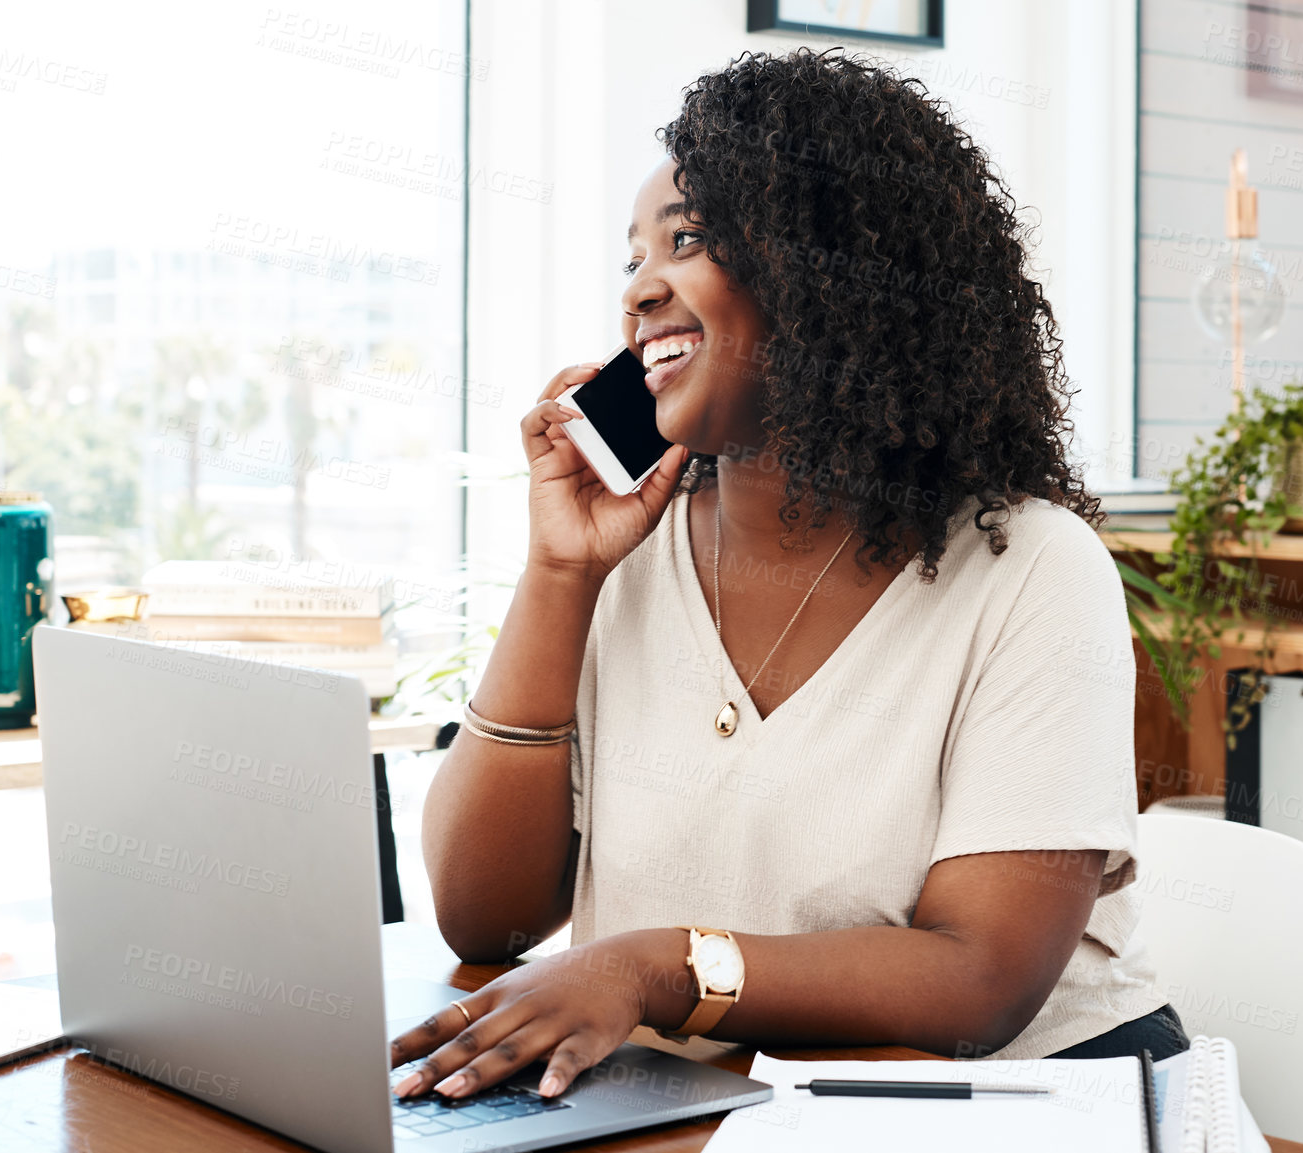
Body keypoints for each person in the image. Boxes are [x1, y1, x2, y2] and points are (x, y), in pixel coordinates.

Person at [391, 47, 1183, 1103]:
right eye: (630, 257)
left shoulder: (1029, 567)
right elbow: (483, 919)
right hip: (721, 1104)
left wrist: (654, 967)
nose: (638, 288)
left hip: (1026, 1105)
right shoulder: (626, 555)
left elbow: (979, 978)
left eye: (687, 239)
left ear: (831, 274)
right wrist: (556, 572)